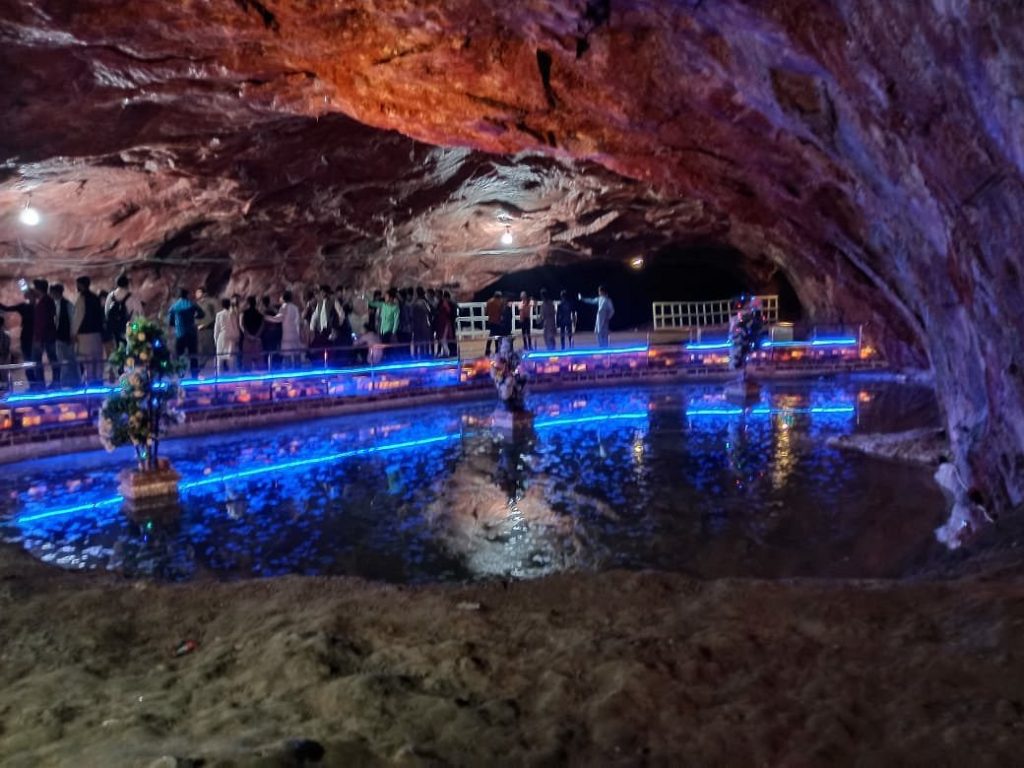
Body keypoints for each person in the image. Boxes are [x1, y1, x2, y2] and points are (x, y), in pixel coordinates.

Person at [1, 282, 36, 385]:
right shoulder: (30, 307)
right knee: (29, 359)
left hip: (30, 335)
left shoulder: (27, 307)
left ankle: (34, 383)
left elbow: (6, 308)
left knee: (30, 359)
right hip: (31, 335)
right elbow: (7, 308)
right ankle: (34, 383)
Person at [72, 275, 105, 384]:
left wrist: (73, 333)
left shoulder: (82, 298)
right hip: (97, 335)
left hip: (85, 336)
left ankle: (90, 389)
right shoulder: (95, 297)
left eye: (78, 284)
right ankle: (99, 384)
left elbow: (78, 317)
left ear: (81, 285)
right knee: (97, 362)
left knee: (88, 364)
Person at [166, 288, 205, 377]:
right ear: (187, 295)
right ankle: (194, 376)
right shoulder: (192, 304)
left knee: (179, 356)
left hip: (180, 334)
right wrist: (194, 316)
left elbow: (170, 322)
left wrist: (177, 323)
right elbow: (202, 314)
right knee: (193, 356)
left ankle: (180, 376)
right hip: (191, 334)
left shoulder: (174, 307)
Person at [50, 284, 81, 387]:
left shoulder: (67, 305)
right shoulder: (53, 304)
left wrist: (73, 335)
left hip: (67, 337)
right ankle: (65, 382)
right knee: (62, 361)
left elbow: (73, 321)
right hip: (58, 337)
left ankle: (74, 382)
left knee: (70, 360)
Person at [264, 290, 302, 367]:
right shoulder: (295, 307)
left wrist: (266, 317)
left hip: (287, 335)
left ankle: (289, 374)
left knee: (287, 355)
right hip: (295, 334)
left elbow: (278, 319)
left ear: (284, 298)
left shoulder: (284, 306)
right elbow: (298, 320)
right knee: (296, 355)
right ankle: (298, 372)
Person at [31, 279, 58, 387]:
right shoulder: (48, 300)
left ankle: (41, 384)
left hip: (43, 337)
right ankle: (55, 382)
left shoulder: (44, 302)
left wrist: (38, 338)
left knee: (38, 361)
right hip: (48, 335)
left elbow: (42, 322)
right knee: (53, 359)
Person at [105, 275, 144, 348]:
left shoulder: (110, 296)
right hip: (130, 327)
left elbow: (106, 312)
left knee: (117, 349)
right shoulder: (133, 297)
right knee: (131, 348)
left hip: (115, 329)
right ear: (127, 284)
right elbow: (139, 314)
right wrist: (138, 328)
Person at [194, 286, 219, 372]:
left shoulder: (210, 302)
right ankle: (200, 369)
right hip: (199, 331)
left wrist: (205, 324)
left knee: (209, 349)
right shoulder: (196, 304)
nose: (196, 294)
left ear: (204, 293)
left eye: (198, 292)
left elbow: (214, 316)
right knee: (201, 350)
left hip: (208, 330)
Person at [213, 298, 241, 373]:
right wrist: (237, 337)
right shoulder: (233, 314)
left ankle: (219, 377)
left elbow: (217, 328)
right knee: (231, 359)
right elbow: (235, 326)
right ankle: (232, 377)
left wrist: (216, 340)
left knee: (220, 359)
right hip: (231, 337)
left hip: (222, 337)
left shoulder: (219, 314)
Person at [240, 296, 264, 371]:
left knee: (247, 362)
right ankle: (260, 380)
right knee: (259, 361)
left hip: (247, 340)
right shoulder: (260, 314)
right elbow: (262, 326)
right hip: (257, 339)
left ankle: (247, 380)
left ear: (247, 303)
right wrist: (256, 336)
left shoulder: (243, 313)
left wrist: (248, 335)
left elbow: (241, 325)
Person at [260, 295, 282, 367]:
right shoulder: (274, 310)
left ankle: (269, 367)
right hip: (274, 333)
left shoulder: (262, 312)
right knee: (275, 351)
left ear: (262, 303)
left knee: (267, 352)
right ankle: (275, 366)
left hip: (267, 334)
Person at [411, 287, 433, 359]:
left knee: (417, 340)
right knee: (425, 340)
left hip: (417, 324)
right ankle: (425, 354)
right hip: (424, 324)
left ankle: (416, 355)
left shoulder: (415, 302)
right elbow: (429, 312)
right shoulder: (425, 302)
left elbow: (412, 314)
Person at [434, 290, 455, 358]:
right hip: (443, 323)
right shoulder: (443, 303)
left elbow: (448, 312)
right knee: (443, 338)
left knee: (443, 338)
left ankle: (446, 352)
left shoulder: (443, 303)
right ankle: (446, 352)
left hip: (444, 323)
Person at [484, 291, 505, 355]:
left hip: (491, 321)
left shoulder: (489, 301)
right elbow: (502, 312)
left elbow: (486, 312)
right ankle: (497, 350)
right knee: (497, 336)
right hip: (497, 321)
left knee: (491, 335)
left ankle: (487, 349)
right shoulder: (500, 302)